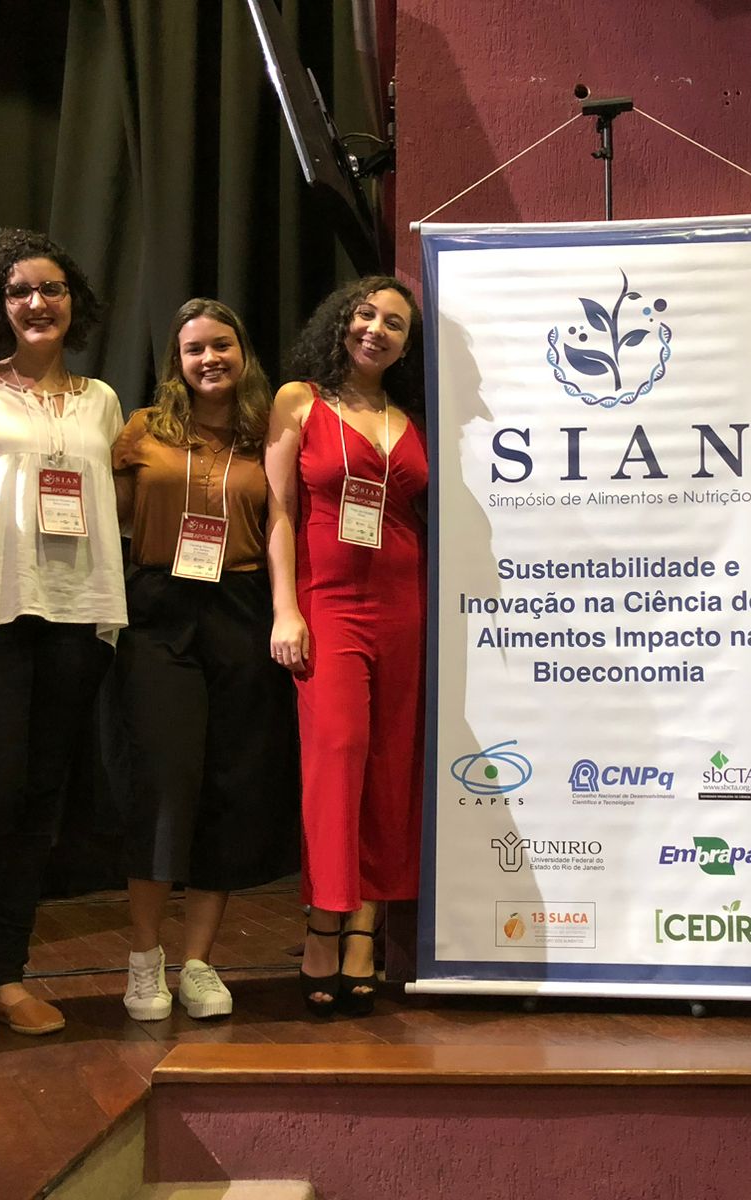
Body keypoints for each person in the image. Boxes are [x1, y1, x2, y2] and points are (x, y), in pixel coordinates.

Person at [0, 229, 127, 1048]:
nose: (37, 303)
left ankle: (9, 976)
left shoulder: (103, 400)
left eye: (52, 289)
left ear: (74, 301)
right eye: (20, 291)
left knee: (42, 803)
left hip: (78, 614)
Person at [112, 298, 298, 1022]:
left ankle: (198, 963)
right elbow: (112, 517)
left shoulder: (264, 434)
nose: (210, 359)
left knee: (228, 780)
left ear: (243, 352)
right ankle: (143, 959)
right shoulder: (143, 429)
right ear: (177, 362)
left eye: (222, 345)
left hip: (240, 610)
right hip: (158, 608)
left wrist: (283, 609)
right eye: (194, 349)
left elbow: (281, 520)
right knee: (163, 778)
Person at [264, 276, 427, 1017]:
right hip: (327, 605)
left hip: (404, 605)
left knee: (390, 765)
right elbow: (278, 512)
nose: (377, 330)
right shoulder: (300, 401)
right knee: (336, 757)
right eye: (367, 314)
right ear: (342, 319)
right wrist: (285, 611)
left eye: (395, 324)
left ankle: (365, 927)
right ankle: (322, 924)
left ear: (406, 345)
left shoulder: (409, 417)